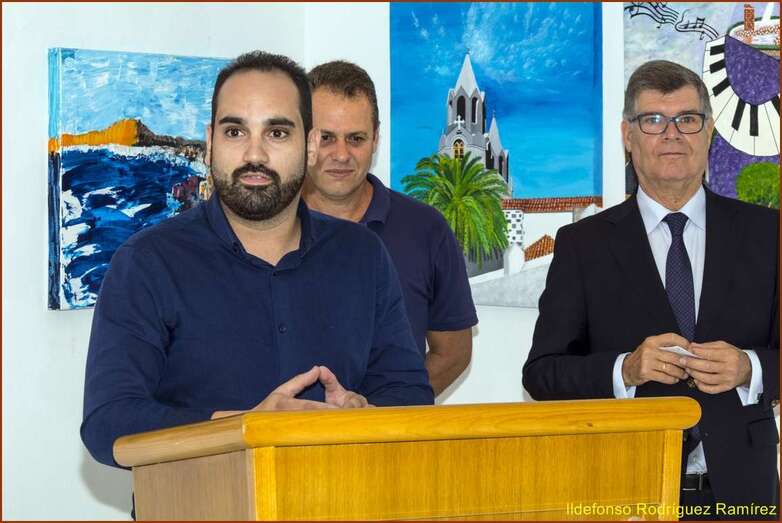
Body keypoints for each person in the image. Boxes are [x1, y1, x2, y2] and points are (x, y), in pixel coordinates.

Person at [81, 51, 433, 468]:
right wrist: (245, 427)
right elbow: (108, 423)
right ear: (210, 142)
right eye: (235, 132)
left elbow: (409, 395)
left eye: (277, 133)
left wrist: (363, 414)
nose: (255, 155)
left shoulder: (363, 255)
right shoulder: (146, 263)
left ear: (309, 147)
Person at [522, 60, 778, 517]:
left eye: (687, 119)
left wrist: (749, 368)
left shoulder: (768, 234)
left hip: (745, 495)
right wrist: (626, 369)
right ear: (628, 136)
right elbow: (541, 374)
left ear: (709, 132)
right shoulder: (584, 244)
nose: (672, 134)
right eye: (653, 120)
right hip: (623, 489)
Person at [302, 60, 478, 396]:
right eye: (326, 138)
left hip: (388, 441)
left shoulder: (426, 230)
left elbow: (453, 352)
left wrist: (382, 412)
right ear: (302, 136)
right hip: (280, 440)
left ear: (376, 138)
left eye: (356, 138)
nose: (341, 154)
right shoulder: (266, 226)